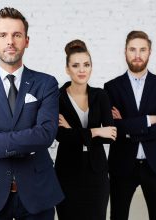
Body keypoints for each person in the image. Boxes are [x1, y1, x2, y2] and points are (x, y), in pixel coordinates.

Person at [0, 7, 64, 220]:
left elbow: (45, 134)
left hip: (37, 193)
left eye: (16, 35)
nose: (10, 41)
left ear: (26, 40)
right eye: (3, 35)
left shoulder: (46, 84)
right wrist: (26, 140)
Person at [104, 30, 156, 220]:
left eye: (142, 50)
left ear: (150, 52)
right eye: (132, 49)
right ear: (125, 52)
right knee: (118, 216)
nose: (137, 55)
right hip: (122, 164)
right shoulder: (111, 87)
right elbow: (113, 129)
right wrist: (148, 120)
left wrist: (127, 127)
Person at [54, 39, 116, 220]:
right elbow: (60, 136)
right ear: (67, 69)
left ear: (91, 67)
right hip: (67, 174)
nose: (82, 70)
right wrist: (96, 131)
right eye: (76, 65)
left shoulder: (101, 95)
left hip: (97, 174)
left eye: (86, 65)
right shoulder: (57, 98)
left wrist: (73, 131)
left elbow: (111, 135)